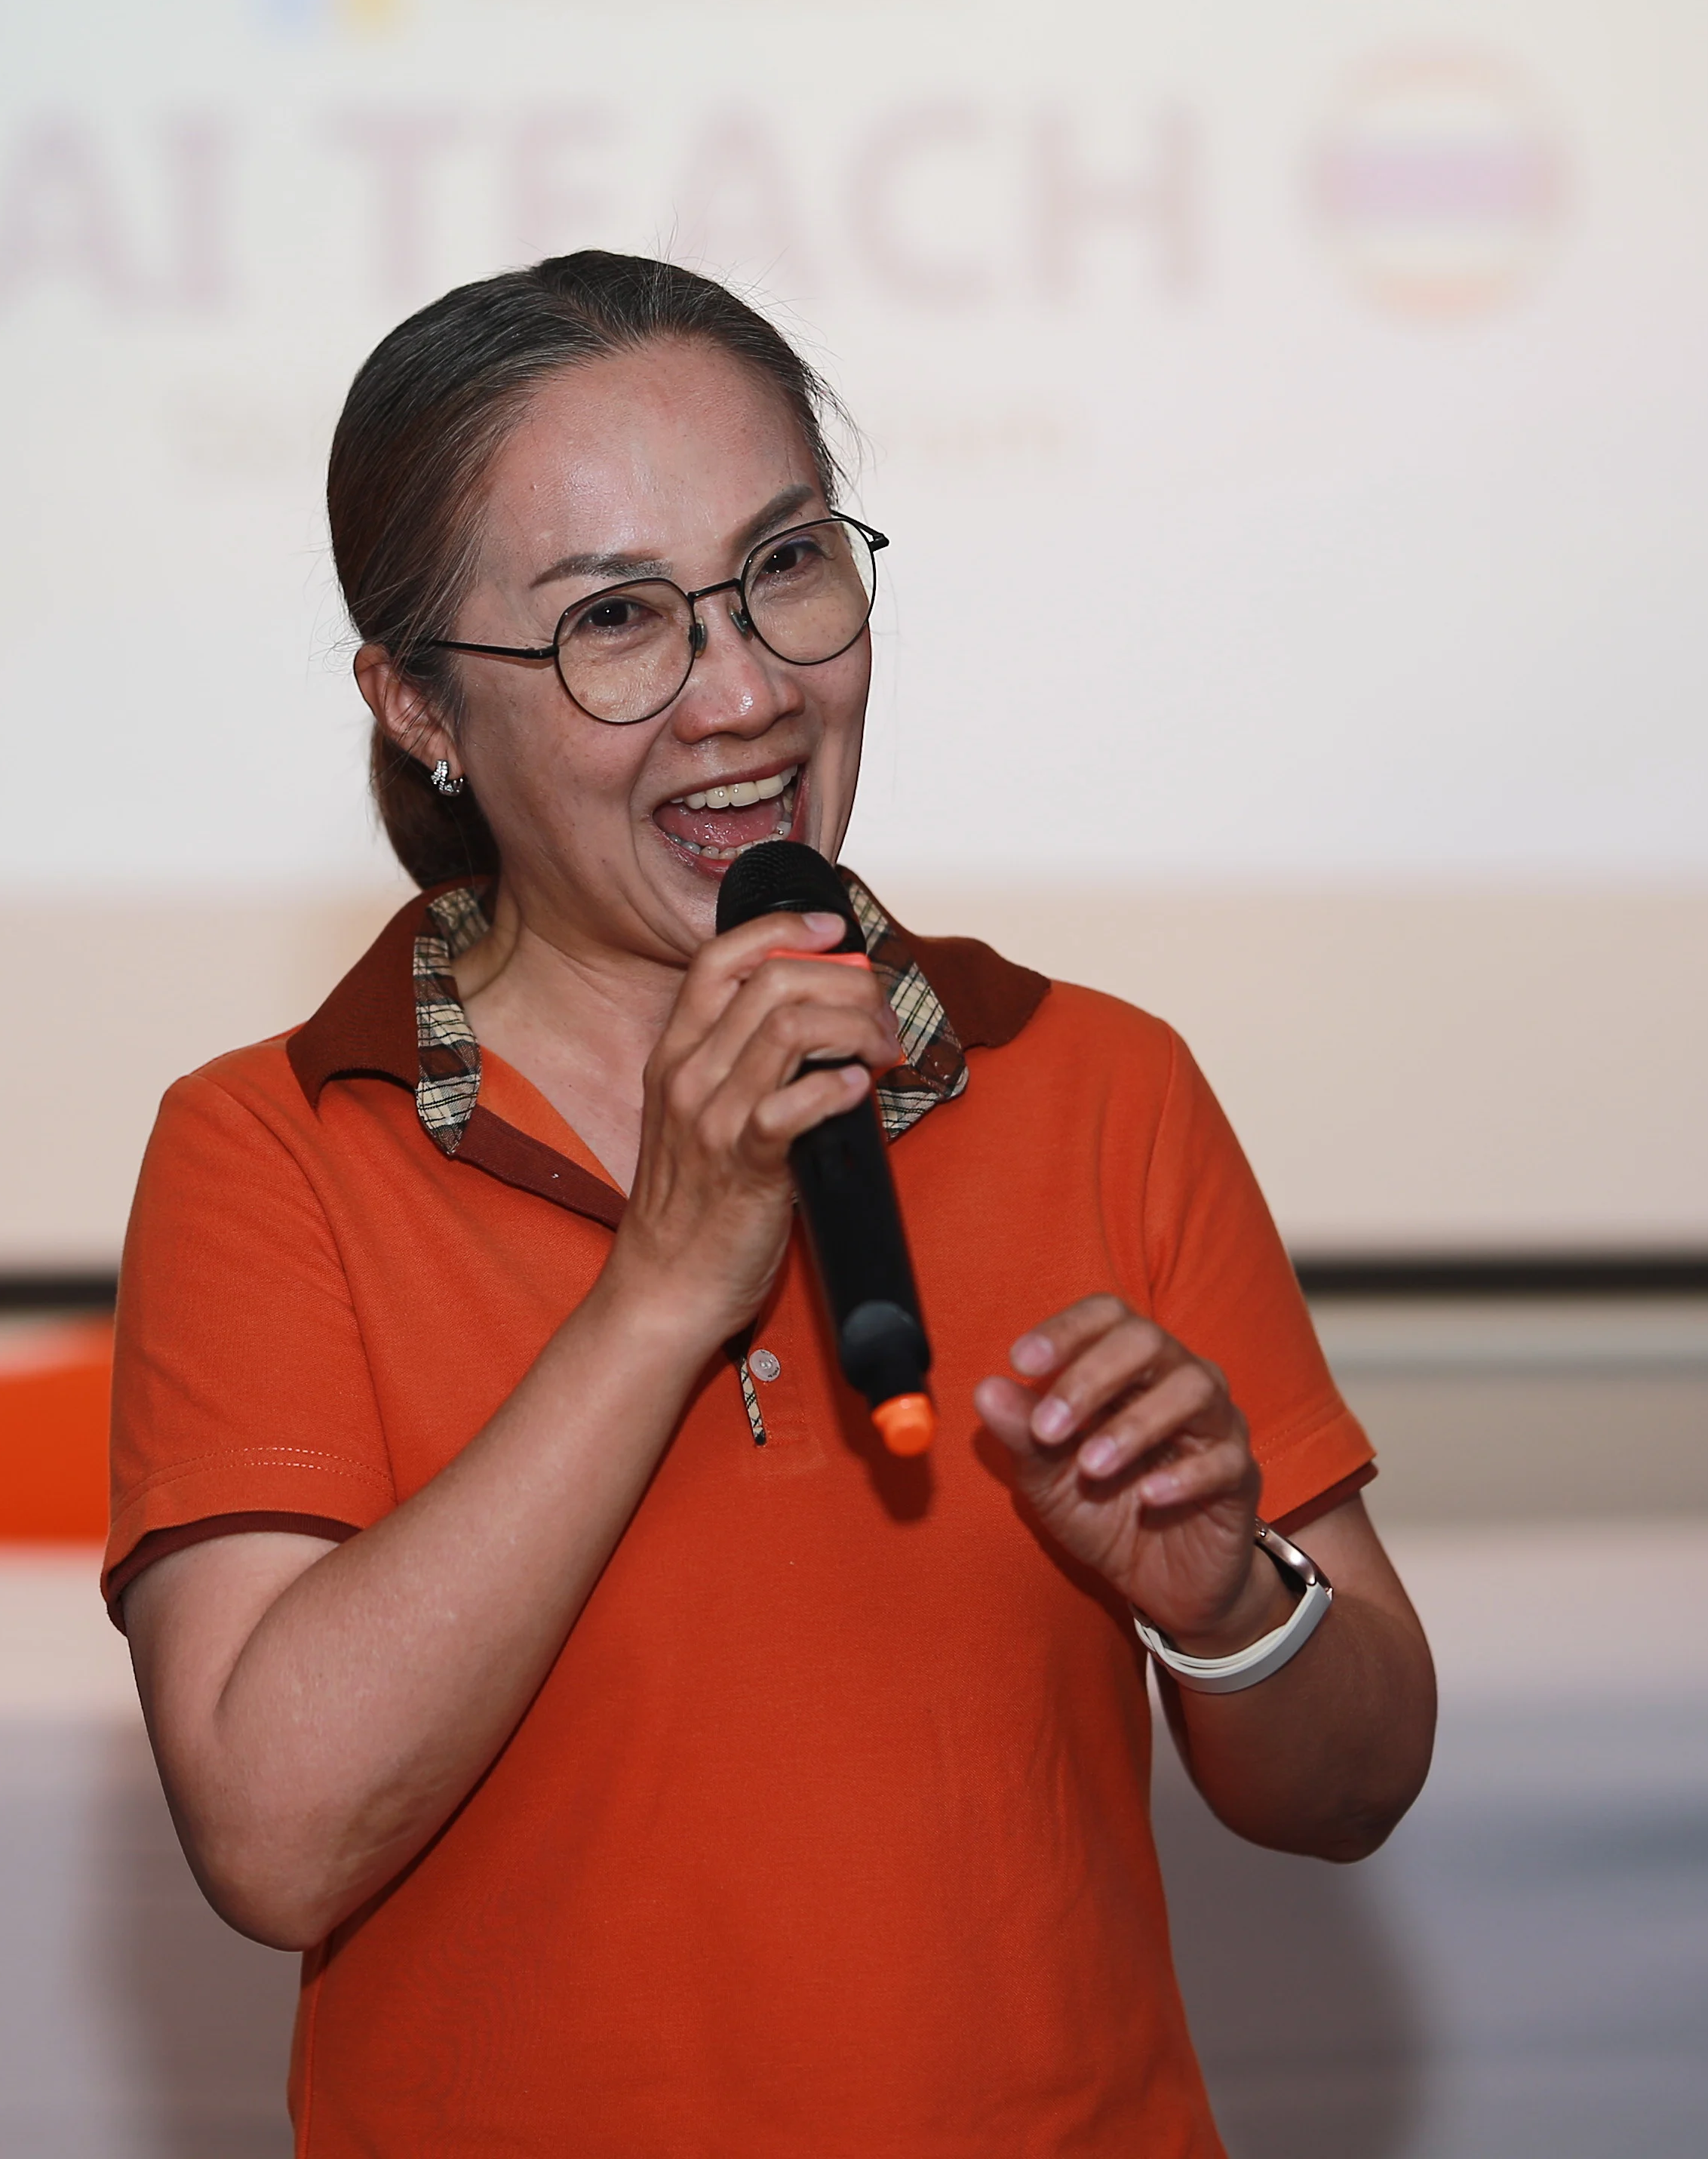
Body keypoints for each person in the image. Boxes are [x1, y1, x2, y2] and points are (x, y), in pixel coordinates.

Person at [107, 253, 1437, 2155]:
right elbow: (276, 1837)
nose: (744, 694)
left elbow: (1358, 1779)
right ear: (417, 705)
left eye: (788, 566)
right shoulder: (275, 1148)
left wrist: (1230, 1605)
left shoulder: (1091, 1081)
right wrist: (662, 1289)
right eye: (616, 620)